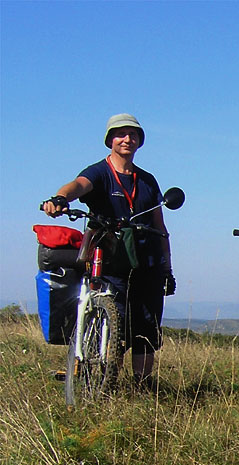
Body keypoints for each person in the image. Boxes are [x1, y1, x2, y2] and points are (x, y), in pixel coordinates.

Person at [42, 113, 175, 387]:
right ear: (110, 140)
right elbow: (78, 185)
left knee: (146, 327)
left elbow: (161, 227)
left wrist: (167, 268)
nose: (128, 139)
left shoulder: (148, 180)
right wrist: (60, 198)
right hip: (110, 258)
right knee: (111, 317)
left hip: (147, 260)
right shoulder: (99, 172)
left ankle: (143, 386)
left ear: (140, 141)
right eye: (121, 134)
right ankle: (102, 378)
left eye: (133, 134)